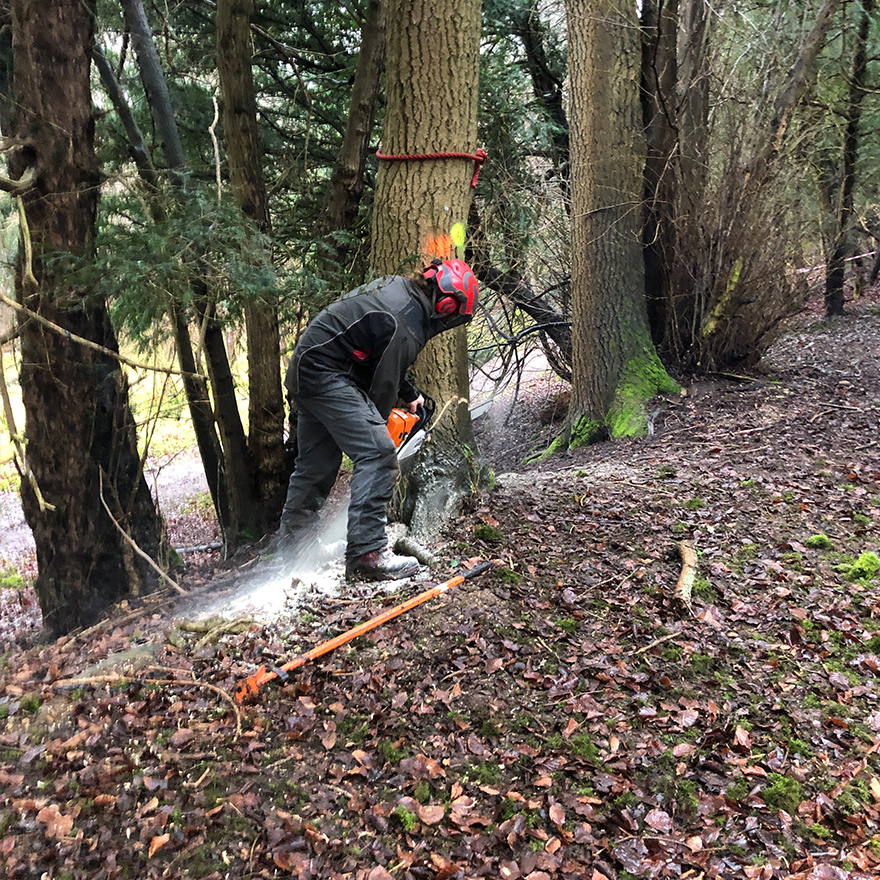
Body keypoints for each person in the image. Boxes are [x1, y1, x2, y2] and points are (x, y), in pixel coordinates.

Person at [279, 258, 480, 581]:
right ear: (446, 303)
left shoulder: (400, 294)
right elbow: (380, 389)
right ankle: (367, 554)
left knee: (313, 468)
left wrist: (410, 392)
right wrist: (382, 429)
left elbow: (379, 353)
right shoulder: (407, 323)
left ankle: (297, 555)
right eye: (453, 312)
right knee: (377, 453)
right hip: (328, 374)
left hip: (310, 368)